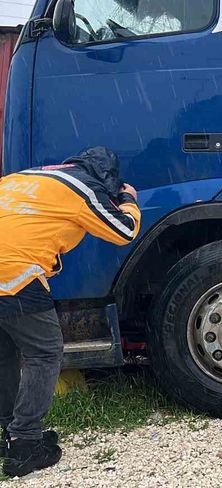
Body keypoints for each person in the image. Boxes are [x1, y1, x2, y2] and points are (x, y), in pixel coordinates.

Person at [0, 147, 140, 477]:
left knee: (4, 352)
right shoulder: (82, 187)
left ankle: (9, 431)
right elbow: (123, 231)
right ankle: (24, 445)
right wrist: (128, 200)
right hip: (11, 275)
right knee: (44, 352)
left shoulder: (24, 178)